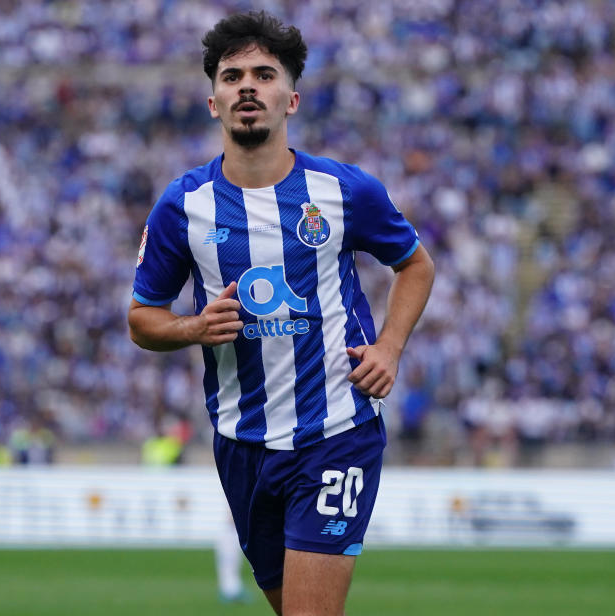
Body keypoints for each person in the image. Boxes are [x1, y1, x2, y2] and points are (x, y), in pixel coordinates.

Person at [127, 11, 434, 616]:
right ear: (213, 100)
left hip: (336, 433)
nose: (247, 85)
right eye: (232, 74)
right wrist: (193, 328)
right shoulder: (183, 206)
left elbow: (416, 265)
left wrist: (391, 347)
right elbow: (142, 318)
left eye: (264, 74)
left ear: (289, 98)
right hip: (241, 443)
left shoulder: (345, 192)